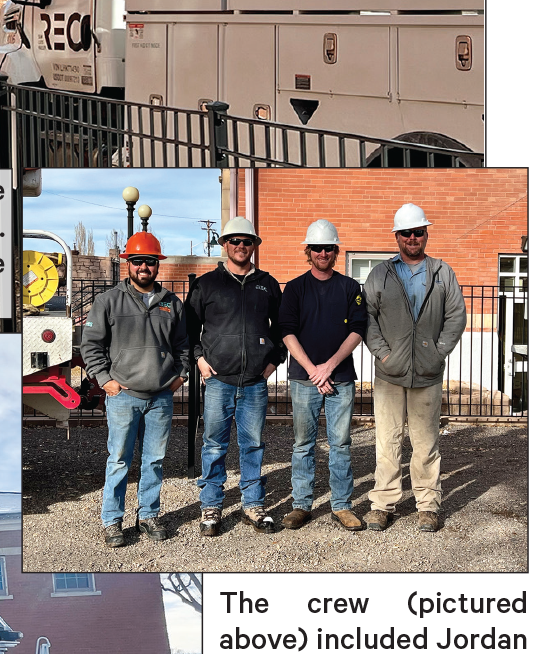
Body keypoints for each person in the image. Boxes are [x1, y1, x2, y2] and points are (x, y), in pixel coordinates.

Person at [363, 204, 467, 533]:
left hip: (427, 374)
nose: (412, 238)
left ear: (426, 234)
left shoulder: (442, 272)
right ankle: (383, 504)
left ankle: (428, 504)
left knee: (425, 442)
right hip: (389, 375)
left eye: (418, 232)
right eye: (406, 232)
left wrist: (437, 353)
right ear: (396, 236)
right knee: (388, 440)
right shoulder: (380, 274)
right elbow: (367, 319)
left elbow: (456, 316)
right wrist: (382, 355)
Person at [80, 233, 188, 547]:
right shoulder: (108, 301)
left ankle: (148, 515)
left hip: (160, 398)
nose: (143, 266)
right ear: (129, 263)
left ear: (157, 265)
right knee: (118, 460)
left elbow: (184, 346)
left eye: (150, 262)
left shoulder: (171, 303)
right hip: (123, 397)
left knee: (154, 461)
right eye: (137, 261)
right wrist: (104, 379)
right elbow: (91, 345)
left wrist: (179, 376)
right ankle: (113, 521)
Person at [185, 218, 285, 536]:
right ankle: (211, 507)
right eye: (235, 241)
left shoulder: (267, 284)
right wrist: (199, 360)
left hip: (255, 382)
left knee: (252, 445)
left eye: (247, 241)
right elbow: (187, 330)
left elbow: (283, 330)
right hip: (218, 381)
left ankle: (253, 505)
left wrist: (272, 364)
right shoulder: (207, 285)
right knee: (214, 446)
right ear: (224, 244)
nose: (241, 246)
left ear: (254, 245)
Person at [279, 221, 367, 532]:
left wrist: (328, 367)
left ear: (336, 251)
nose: (323, 252)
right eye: (317, 248)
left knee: (340, 443)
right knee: (303, 444)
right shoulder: (295, 288)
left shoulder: (350, 287)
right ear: (309, 251)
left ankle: (341, 506)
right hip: (304, 380)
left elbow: (358, 330)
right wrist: (314, 370)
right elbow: (286, 332)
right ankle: (301, 505)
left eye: (329, 247)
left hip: (340, 377)